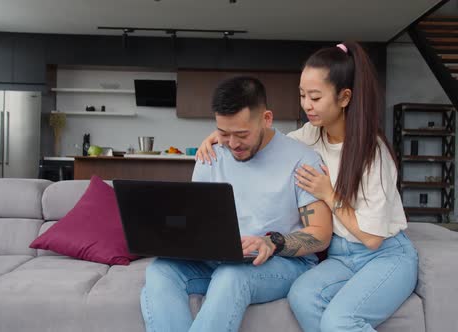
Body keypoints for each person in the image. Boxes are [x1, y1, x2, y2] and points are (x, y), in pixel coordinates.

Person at [195, 42, 419, 332]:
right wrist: (225, 135)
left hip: (385, 254)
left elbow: (372, 238)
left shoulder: (372, 152)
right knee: (302, 296)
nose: (306, 105)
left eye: (315, 97)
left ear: (344, 97)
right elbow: (271, 139)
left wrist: (329, 193)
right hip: (340, 255)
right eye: (302, 95)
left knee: (341, 320)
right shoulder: (309, 136)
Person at [141, 76, 333, 332]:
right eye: (223, 133)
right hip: (219, 258)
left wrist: (271, 242)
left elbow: (320, 235)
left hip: (282, 262)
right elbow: (196, 221)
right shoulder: (211, 155)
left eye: (242, 134)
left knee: (231, 275)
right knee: (160, 271)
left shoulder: (302, 161)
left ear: (266, 119)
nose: (232, 144)